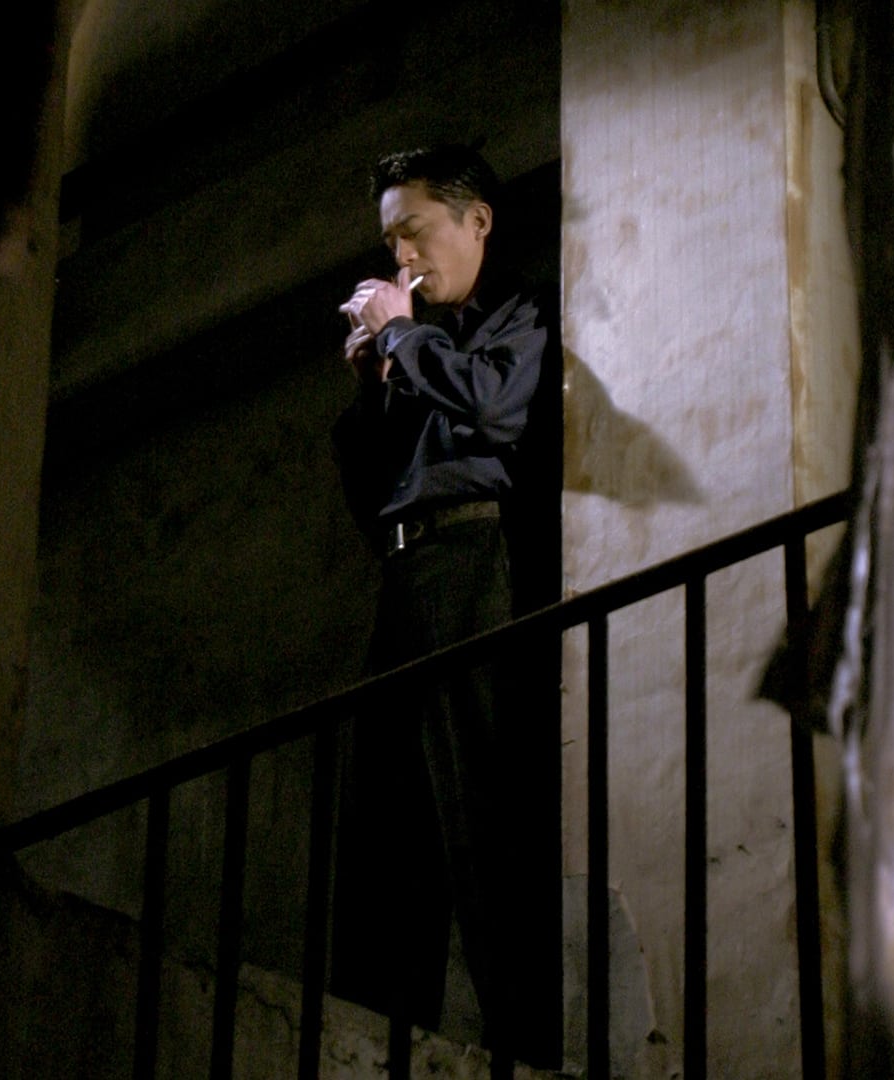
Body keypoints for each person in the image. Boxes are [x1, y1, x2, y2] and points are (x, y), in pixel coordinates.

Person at [328, 144, 558, 1069]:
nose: (402, 258)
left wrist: (400, 339)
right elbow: (372, 493)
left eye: (414, 232)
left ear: (477, 221)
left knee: (482, 803)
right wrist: (373, 383)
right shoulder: (414, 345)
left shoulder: (519, 312)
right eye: (391, 241)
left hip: (475, 562)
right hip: (407, 573)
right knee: (385, 818)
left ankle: (526, 1040)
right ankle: (375, 1039)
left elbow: (499, 406)